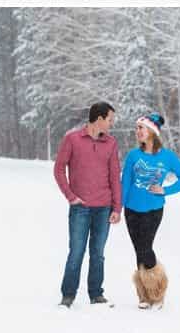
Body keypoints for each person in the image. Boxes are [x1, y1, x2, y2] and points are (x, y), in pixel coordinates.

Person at [52, 102, 122, 308]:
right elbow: (58, 170)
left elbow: (114, 177)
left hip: (103, 208)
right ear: (99, 119)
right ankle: (68, 294)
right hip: (80, 207)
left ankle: (96, 293)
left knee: (98, 253)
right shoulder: (72, 139)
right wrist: (70, 196)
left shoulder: (111, 143)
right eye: (110, 119)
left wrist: (117, 208)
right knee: (76, 251)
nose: (111, 123)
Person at [121, 112, 180, 310]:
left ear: (152, 132)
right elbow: (125, 182)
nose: (137, 132)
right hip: (131, 210)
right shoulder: (133, 155)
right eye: (136, 128)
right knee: (139, 250)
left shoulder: (167, 157)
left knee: (145, 248)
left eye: (140, 128)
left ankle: (158, 291)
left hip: (153, 210)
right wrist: (118, 207)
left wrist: (165, 190)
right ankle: (144, 295)